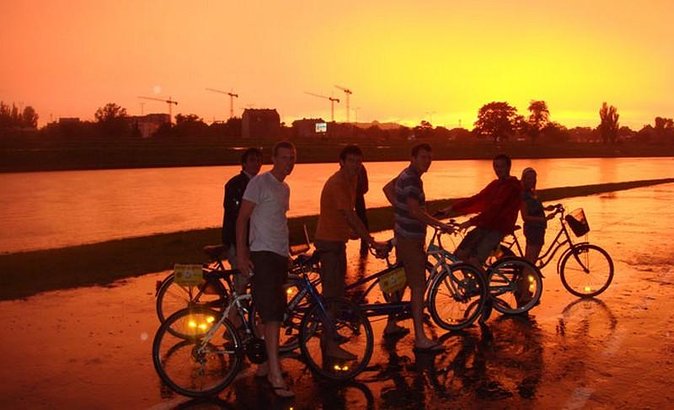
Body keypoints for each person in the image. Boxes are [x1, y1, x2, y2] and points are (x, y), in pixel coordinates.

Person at [314, 145, 387, 357]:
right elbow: (350, 214)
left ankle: (330, 336)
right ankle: (329, 346)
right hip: (329, 242)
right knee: (333, 296)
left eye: (358, 161)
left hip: (338, 240)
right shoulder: (338, 182)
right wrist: (370, 240)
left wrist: (351, 232)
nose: (355, 165)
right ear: (341, 162)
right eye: (351, 161)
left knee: (337, 293)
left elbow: (348, 214)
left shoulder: (351, 180)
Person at [236, 141, 296, 398]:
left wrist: (288, 253)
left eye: (292, 158)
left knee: (273, 312)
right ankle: (274, 373)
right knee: (272, 317)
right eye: (284, 157)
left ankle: (264, 363)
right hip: (263, 254)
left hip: (279, 255)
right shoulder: (260, 183)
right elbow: (242, 218)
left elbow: (279, 221)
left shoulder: (284, 188)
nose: (288, 162)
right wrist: (241, 253)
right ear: (274, 158)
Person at [383, 143, 454, 353]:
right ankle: (420, 339)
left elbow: (387, 189)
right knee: (418, 286)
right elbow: (415, 211)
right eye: (423, 157)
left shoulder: (405, 174)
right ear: (413, 158)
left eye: (430, 157)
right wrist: (439, 223)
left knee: (401, 281)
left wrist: (400, 209)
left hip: (402, 235)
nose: (427, 161)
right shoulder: (412, 179)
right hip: (410, 239)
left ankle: (391, 323)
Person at [440, 154, 522, 319]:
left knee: (475, 261)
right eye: (495, 166)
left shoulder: (513, 186)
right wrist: (451, 208)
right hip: (485, 224)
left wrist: (469, 223)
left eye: (501, 166)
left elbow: (495, 209)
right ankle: (475, 281)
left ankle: (487, 297)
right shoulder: (495, 184)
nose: (498, 170)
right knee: (460, 255)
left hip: (498, 227)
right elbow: (478, 198)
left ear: (508, 167)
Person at [221, 147, 262, 294]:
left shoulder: (260, 183)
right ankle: (235, 315)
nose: (256, 164)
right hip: (237, 240)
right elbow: (235, 214)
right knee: (241, 282)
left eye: (258, 160)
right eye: (252, 160)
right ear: (243, 164)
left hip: (253, 240)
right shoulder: (235, 184)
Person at [518, 167, 555, 305]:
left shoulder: (533, 193)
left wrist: (548, 209)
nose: (532, 180)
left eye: (534, 178)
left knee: (530, 262)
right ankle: (525, 294)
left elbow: (537, 208)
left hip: (539, 231)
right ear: (524, 179)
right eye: (529, 178)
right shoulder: (523, 195)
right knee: (530, 263)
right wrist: (544, 219)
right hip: (533, 230)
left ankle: (524, 291)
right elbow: (525, 217)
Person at [355, 163, 370, 256]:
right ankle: (365, 240)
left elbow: (365, 186)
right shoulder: (361, 167)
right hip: (355, 194)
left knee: (362, 217)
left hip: (358, 195)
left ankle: (365, 242)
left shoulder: (361, 167)